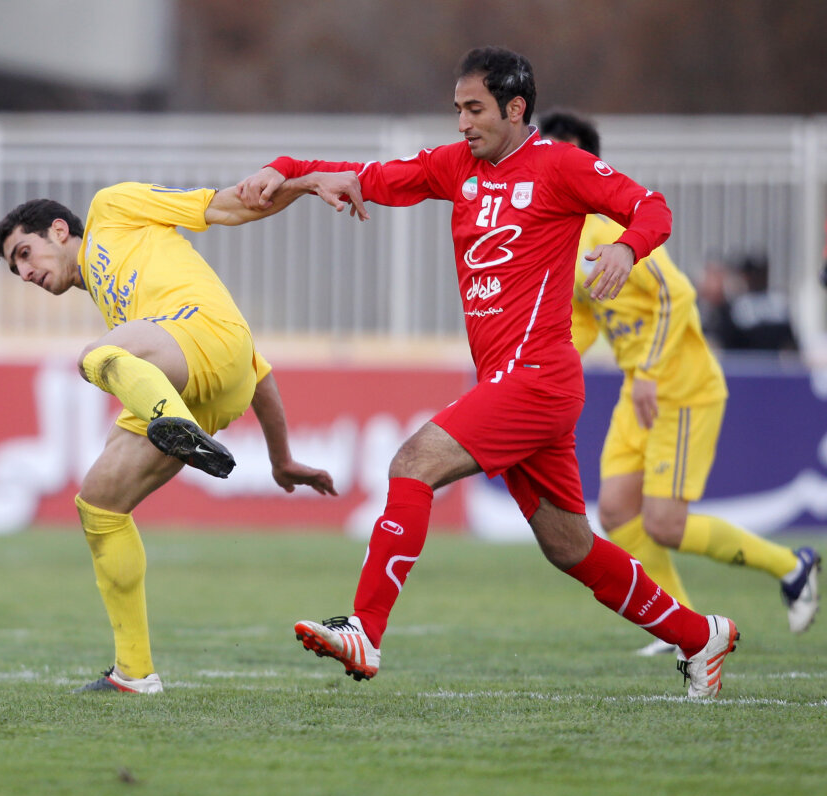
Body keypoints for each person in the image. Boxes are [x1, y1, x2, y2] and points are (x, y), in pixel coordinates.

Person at [237, 46, 740, 698]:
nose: (462, 123)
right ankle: (701, 636)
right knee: (569, 547)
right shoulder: (457, 166)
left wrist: (625, 247)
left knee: (412, 462)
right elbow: (369, 175)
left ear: (515, 108)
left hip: (538, 376)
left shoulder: (560, 166)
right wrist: (285, 169)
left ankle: (365, 628)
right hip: (512, 383)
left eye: (474, 109)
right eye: (457, 109)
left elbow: (653, 208)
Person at [0, 179, 339, 693]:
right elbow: (255, 369)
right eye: (14, 268)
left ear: (59, 230)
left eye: (24, 253)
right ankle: (133, 674)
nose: (24, 273)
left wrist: (306, 181)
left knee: (96, 356)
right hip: (209, 380)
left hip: (201, 337)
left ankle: (171, 422)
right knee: (100, 505)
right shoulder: (121, 308)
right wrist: (281, 459)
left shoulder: (111, 210)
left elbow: (223, 206)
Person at [537, 109, 820, 655]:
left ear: (583, 160)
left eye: (555, 153)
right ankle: (684, 627)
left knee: (664, 524)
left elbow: (679, 294)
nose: (543, 165)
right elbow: (586, 318)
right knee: (615, 511)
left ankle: (792, 565)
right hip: (638, 388)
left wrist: (647, 370)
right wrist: (545, 363)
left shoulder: (612, 226)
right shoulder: (568, 236)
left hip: (680, 386)